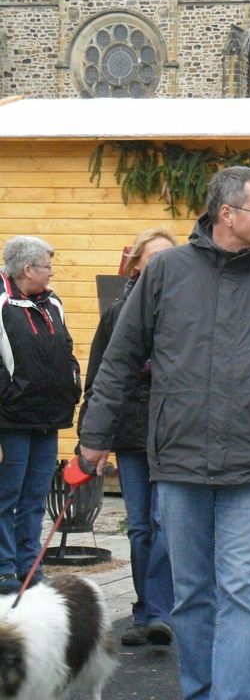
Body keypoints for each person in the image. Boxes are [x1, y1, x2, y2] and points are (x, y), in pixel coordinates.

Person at [79, 166, 250, 700]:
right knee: (191, 594)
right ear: (227, 214)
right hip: (180, 461)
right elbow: (120, 361)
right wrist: (94, 438)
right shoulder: (165, 272)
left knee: (239, 592)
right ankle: (200, 690)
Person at [76, 228, 177, 646]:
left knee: (163, 522)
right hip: (133, 432)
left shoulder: (186, 310)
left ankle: (160, 612)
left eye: (169, 258)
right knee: (139, 526)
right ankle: (145, 611)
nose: (161, 266)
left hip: (174, 433)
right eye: (153, 258)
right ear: (136, 264)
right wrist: (90, 435)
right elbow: (100, 375)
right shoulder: (118, 312)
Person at [0, 236, 81, 595]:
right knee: (7, 496)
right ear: (27, 269)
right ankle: (4, 570)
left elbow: (66, 348)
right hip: (11, 420)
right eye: (47, 265)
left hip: (49, 418)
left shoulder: (54, 302)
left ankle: (29, 566)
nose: (51, 272)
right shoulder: (2, 303)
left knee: (34, 497)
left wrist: (72, 384)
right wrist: (10, 395)